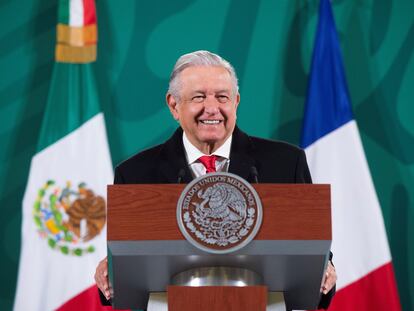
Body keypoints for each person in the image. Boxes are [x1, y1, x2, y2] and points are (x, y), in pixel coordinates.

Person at [95, 50, 337, 309]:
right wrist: (109, 270)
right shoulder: (135, 175)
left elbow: (309, 248)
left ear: (236, 102)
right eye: (199, 97)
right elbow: (125, 261)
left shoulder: (286, 163)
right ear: (174, 105)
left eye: (222, 97)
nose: (212, 108)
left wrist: (326, 269)